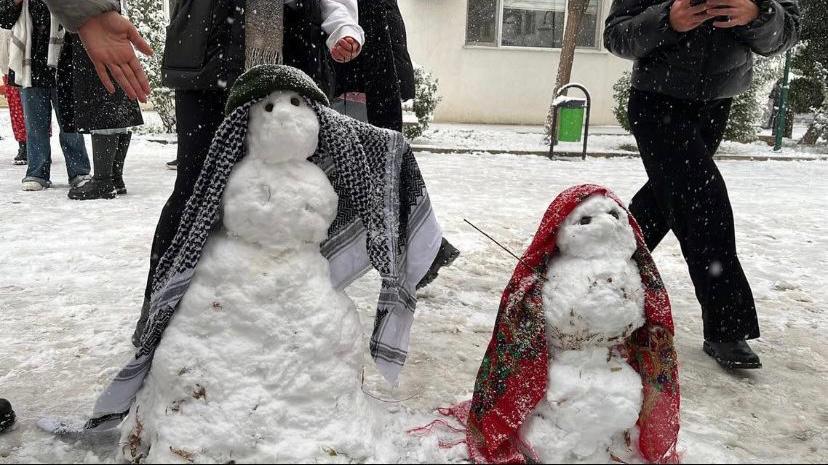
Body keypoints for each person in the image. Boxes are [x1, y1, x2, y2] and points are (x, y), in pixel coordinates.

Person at [604, 0, 800, 369]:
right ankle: (728, 326)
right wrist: (668, 20)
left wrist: (759, 16)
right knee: (705, 203)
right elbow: (616, 35)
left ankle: (595, 275)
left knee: (663, 204)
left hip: (716, 104)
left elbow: (786, 31)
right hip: (656, 101)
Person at [1, 0, 91, 192]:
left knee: (70, 124)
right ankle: (37, 173)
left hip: (64, 65)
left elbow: (81, 16)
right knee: (35, 126)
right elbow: (4, 19)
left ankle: (79, 171)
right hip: (30, 68)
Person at [60, 28, 143, 200]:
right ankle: (113, 178)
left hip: (94, 37)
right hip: (105, 38)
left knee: (104, 104)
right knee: (114, 101)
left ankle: (104, 180)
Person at [1, 28, 29, 165]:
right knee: (16, 108)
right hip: (8, 67)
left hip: (28, 64)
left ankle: (37, 146)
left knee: (33, 107)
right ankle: (23, 144)